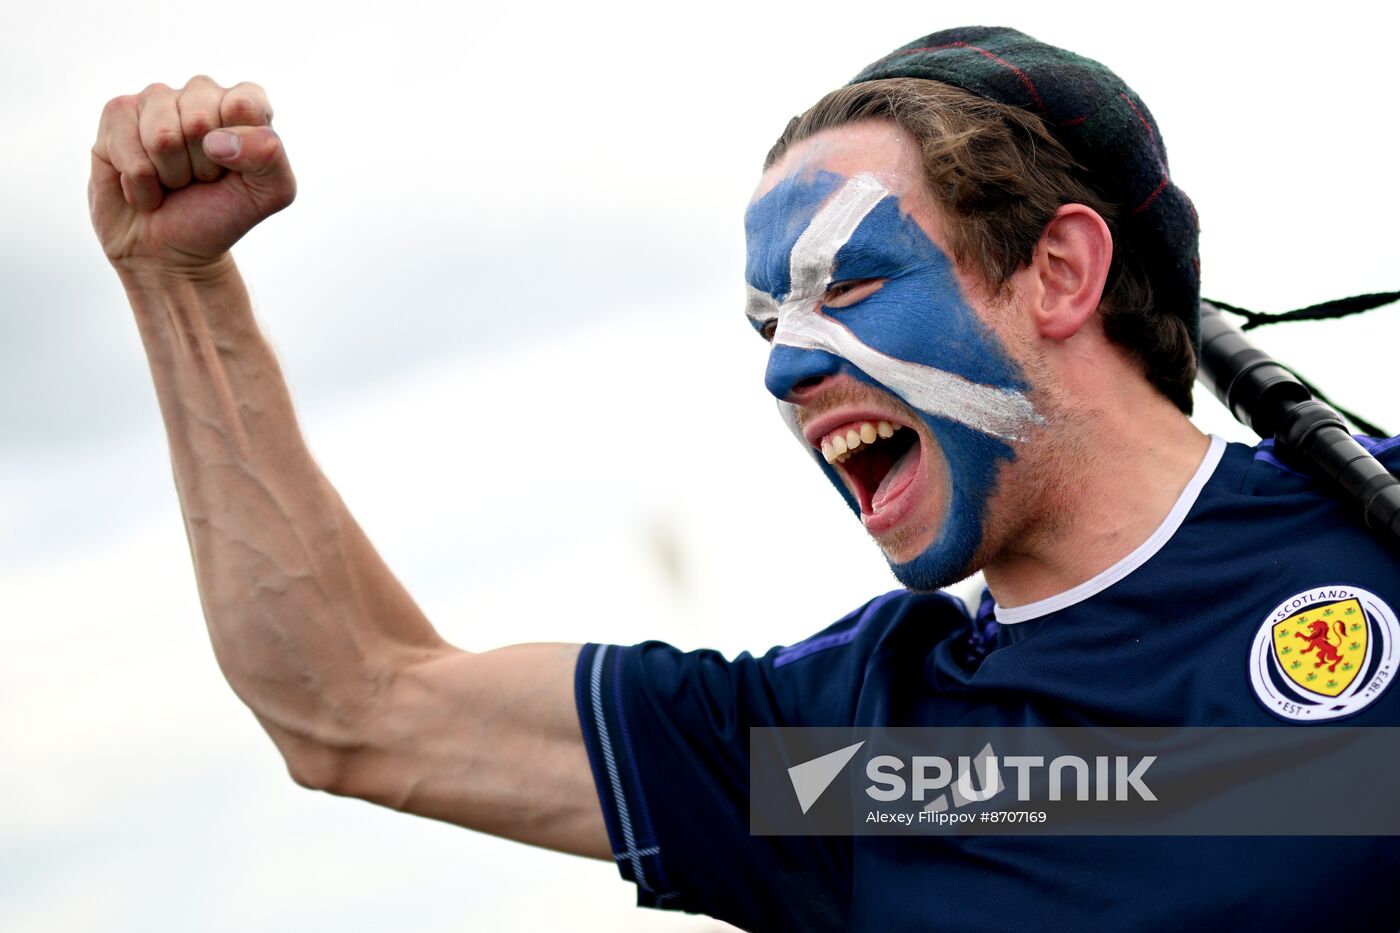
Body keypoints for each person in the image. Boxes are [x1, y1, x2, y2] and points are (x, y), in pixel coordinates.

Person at [90, 25, 1399, 931]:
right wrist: (177, 283)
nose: (785, 372)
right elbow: (353, 701)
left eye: (853, 286)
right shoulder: (856, 759)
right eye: (772, 326)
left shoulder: (1365, 528)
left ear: (1060, 272)